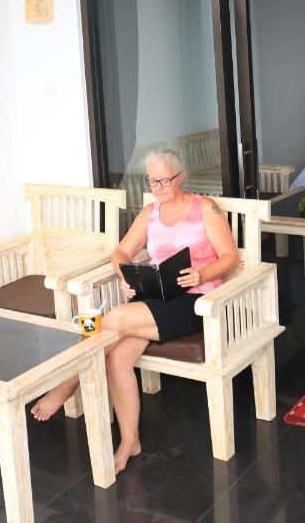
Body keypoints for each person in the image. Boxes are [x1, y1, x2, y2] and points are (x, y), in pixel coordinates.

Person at [31, 147, 240, 473]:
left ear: (181, 177)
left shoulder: (205, 208)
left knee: (114, 317)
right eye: (152, 181)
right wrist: (126, 277)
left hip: (195, 300)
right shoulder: (150, 213)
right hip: (156, 295)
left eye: (164, 180)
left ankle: (67, 383)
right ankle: (130, 442)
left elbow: (230, 256)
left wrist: (201, 274)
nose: (158, 187)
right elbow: (121, 253)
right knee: (116, 360)